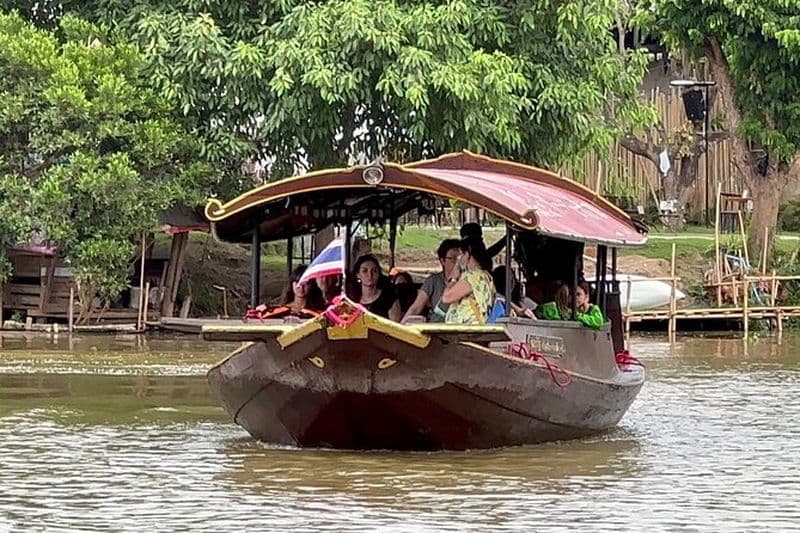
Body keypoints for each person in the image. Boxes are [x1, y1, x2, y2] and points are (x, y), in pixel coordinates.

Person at [402, 239, 462, 323]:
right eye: (452, 259)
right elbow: (416, 308)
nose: (457, 263)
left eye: (460, 259)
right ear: (442, 261)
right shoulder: (432, 281)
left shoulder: (466, 280)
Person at [442, 237, 495, 324]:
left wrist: (453, 278)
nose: (459, 259)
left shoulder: (472, 277)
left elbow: (446, 298)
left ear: (467, 254)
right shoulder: (486, 276)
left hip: (467, 328)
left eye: (461, 254)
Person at [251, 265, 326, 319]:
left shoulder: (319, 312)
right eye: (297, 282)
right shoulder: (281, 310)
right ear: (292, 284)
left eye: (305, 283)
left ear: (312, 285)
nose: (300, 287)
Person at [349, 254, 402, 321]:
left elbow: (396, 326)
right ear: (358, 275)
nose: (370, 275)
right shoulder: (352, 300)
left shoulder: (389, 298)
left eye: (374, 271)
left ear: (378, 274)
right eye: (365, 271)